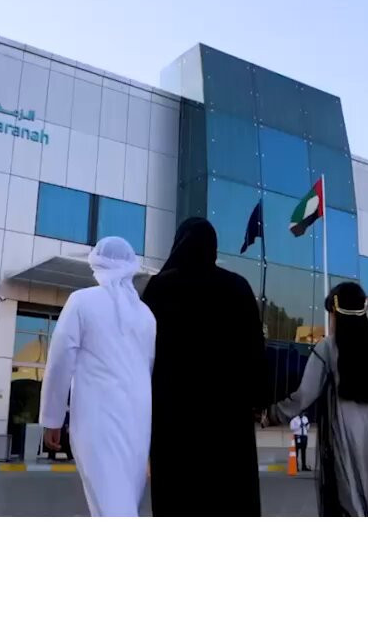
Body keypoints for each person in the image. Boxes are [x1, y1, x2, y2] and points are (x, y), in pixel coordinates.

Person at [143, 218, 268, 516]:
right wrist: (258, 400)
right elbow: (256, 353)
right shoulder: (237, 287)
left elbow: (141, 357)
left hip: (174, 424)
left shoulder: (159, 289)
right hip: (228, 424)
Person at [269, 281, 368, 517]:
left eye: (331, 315)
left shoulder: (327, 349)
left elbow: (304, 396)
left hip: (344, 443)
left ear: (336, 314)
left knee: (350, 507)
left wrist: (271, 414)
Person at [39, 237, 155, 516]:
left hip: (97, 419)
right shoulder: (146, 315)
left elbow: (59, 362)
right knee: (125, 496)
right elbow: (149, 368)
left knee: (111, 504)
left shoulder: (82, 301)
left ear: (97, 265)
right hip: (139, 420)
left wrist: (53, 419)